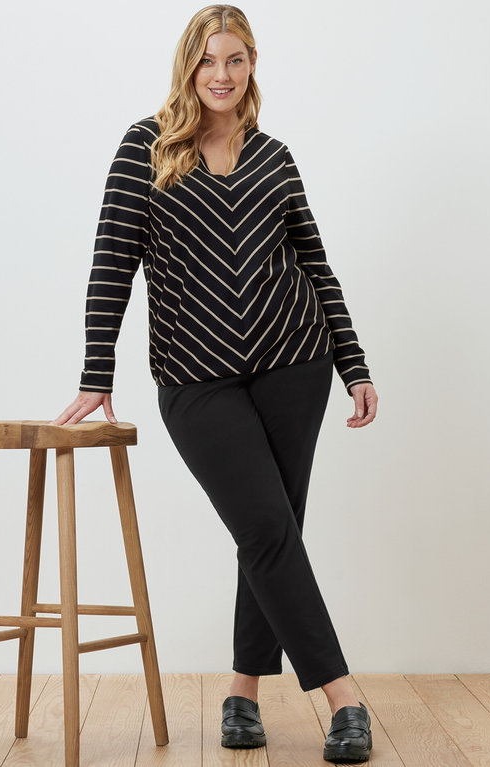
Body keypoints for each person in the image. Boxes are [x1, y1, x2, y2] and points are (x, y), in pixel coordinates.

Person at [54, 4, 377, 762]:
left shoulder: (274, 157)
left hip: (297, 362)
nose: (222, 75)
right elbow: (111, 262)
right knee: (267, 527)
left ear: (252, 65)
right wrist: (97, 371)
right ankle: (344, 696)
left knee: (269, 534)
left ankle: (241, 693)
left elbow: (317, 268)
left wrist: (354, 363)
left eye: (236, 60)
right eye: (209, 60)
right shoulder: (148, 148)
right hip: (195, 377)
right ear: (187, 65)